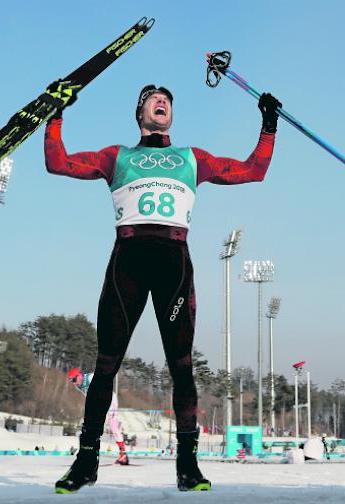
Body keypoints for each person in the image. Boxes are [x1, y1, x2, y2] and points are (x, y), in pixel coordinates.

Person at [45, 83, 280, 494]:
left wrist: (268, 125)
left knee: (182, 366)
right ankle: (85, 462)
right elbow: (58, 163)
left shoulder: (192, 159)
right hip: (128, 266)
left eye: (167, 100)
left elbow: (253, 171)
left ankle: (188, 466)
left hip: (173, 266)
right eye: (153, 99)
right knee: (105, 366)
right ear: (140, 113)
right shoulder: (118, 156)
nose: (162, 102)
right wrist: (56, 115)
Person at [68, 368, 129, 465]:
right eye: (72, 382)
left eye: (74, 380)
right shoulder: (79, 386)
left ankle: (123, 455)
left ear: (79, 376)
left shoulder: (91, 377)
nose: (74, 383)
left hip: (109, 399)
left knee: (113, 427)